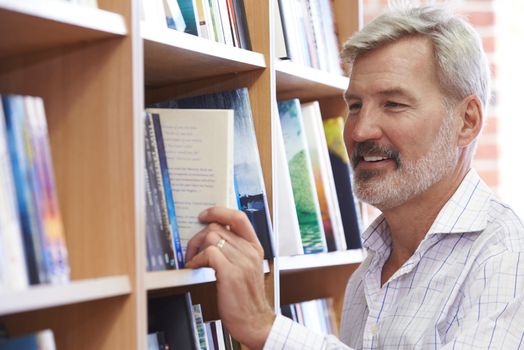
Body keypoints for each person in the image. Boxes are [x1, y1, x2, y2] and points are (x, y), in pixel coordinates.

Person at [185, 4, 524, 349]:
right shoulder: (367, 274)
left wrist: (264, 327)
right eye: (355, 105)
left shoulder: (507, 258)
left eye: (393, 104)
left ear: (467, 121)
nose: (359, 131)